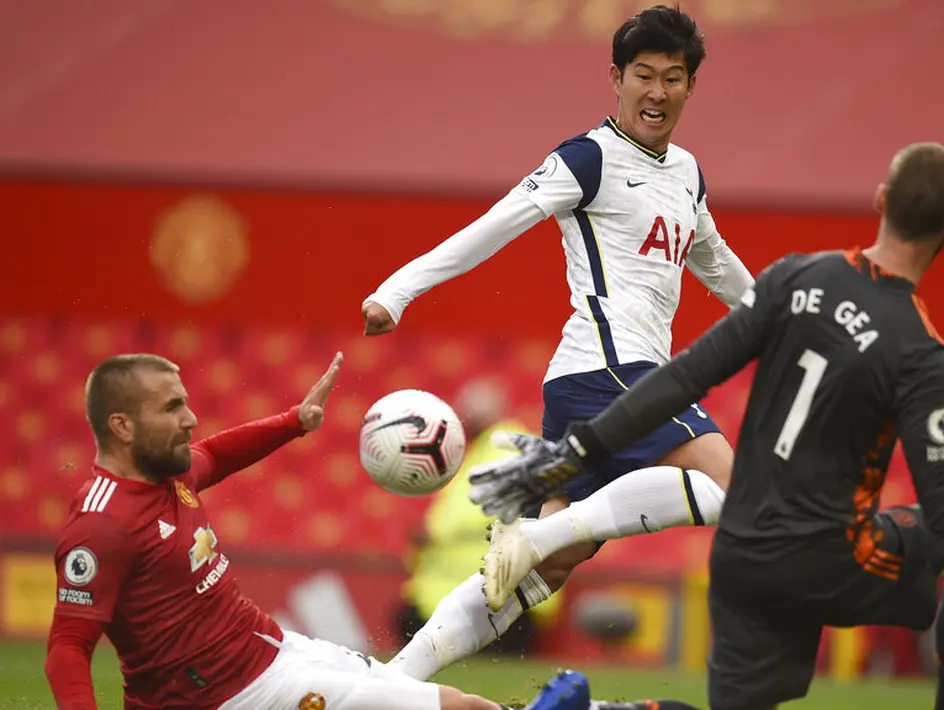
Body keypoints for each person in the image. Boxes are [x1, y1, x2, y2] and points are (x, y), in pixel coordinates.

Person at [466, 143, 944, 710]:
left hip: (742, 555)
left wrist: (568, 455)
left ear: (879, 203)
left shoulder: (791, 279)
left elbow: (681, 377)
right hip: (830, 557)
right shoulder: (919, 350)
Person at [362, 4, 751, 679]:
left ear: (690, 86)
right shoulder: (588, 157)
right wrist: (397, 290)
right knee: (738, 488)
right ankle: (540, 529)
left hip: (604, 381)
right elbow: (496, 223)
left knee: (532, 576)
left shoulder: (686, 173)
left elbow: (715, 262)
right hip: (609, 370)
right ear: (616, 77)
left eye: (672, 78)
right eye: (642, 75)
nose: (656, 92)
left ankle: (390, 681)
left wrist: (786, 321)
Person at [42, 352, 598, 710]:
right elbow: (68, 646)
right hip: (231, 696)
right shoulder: (101, 525)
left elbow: (215, 452)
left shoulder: (172, 471)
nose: (190, 419)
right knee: (456, 709)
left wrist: (294, 422)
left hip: (271, 650)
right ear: (121, 425)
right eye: (172, 408)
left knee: (437, 699)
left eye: (186, 403)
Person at [395, 378, 560, 654]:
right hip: (481, 595)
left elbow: (480, 510)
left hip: (489, 597)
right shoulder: (487, 449)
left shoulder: (503, 446)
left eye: (464, 410)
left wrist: (432, 533)